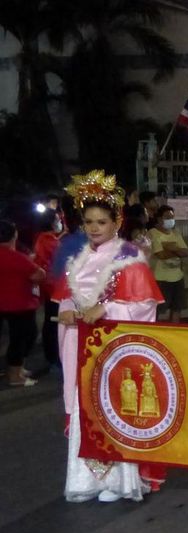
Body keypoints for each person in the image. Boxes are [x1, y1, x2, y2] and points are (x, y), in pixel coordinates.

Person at [53, 170, 166, 502]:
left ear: (116, 222)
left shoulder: (129, 257)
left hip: (115, 347)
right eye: (88, 221)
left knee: (117, 402)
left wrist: (107, 309)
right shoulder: (78, 259)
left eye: (101, 221)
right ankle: (88, 480)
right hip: (81, 342)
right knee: (86, 403)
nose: (93, 227)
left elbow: (144, 307)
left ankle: (118, 480)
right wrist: (68, 314)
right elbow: (64, 301)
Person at [0, 220, 44, 386]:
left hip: (6, 303)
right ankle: (15, 376)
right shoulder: (17, 257)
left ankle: (16, 369)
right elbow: (38, 275)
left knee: (15, 339)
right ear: (14, 235)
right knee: (22, 338)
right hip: (19, 304)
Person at [33, 209, 64, 373]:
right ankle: (53, 357)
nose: (59, 221)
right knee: (53, 321)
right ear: (51, 221)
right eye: (58, 219)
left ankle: (51, 355)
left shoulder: (43, 238)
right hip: (53, 286)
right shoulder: (49, 240)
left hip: (50, 285)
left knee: (50, 320)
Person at [149, 205, 188, 322]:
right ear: (159, 219)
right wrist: (177, 250)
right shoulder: (153, 233)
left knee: (177, 308)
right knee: (157, 309)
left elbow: (185, 252)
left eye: (172, 217)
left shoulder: (176, 232)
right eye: (167, 217)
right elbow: (160, 255)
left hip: (178, 277)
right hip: (160, 278)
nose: (171, 220)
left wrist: (170, 248)